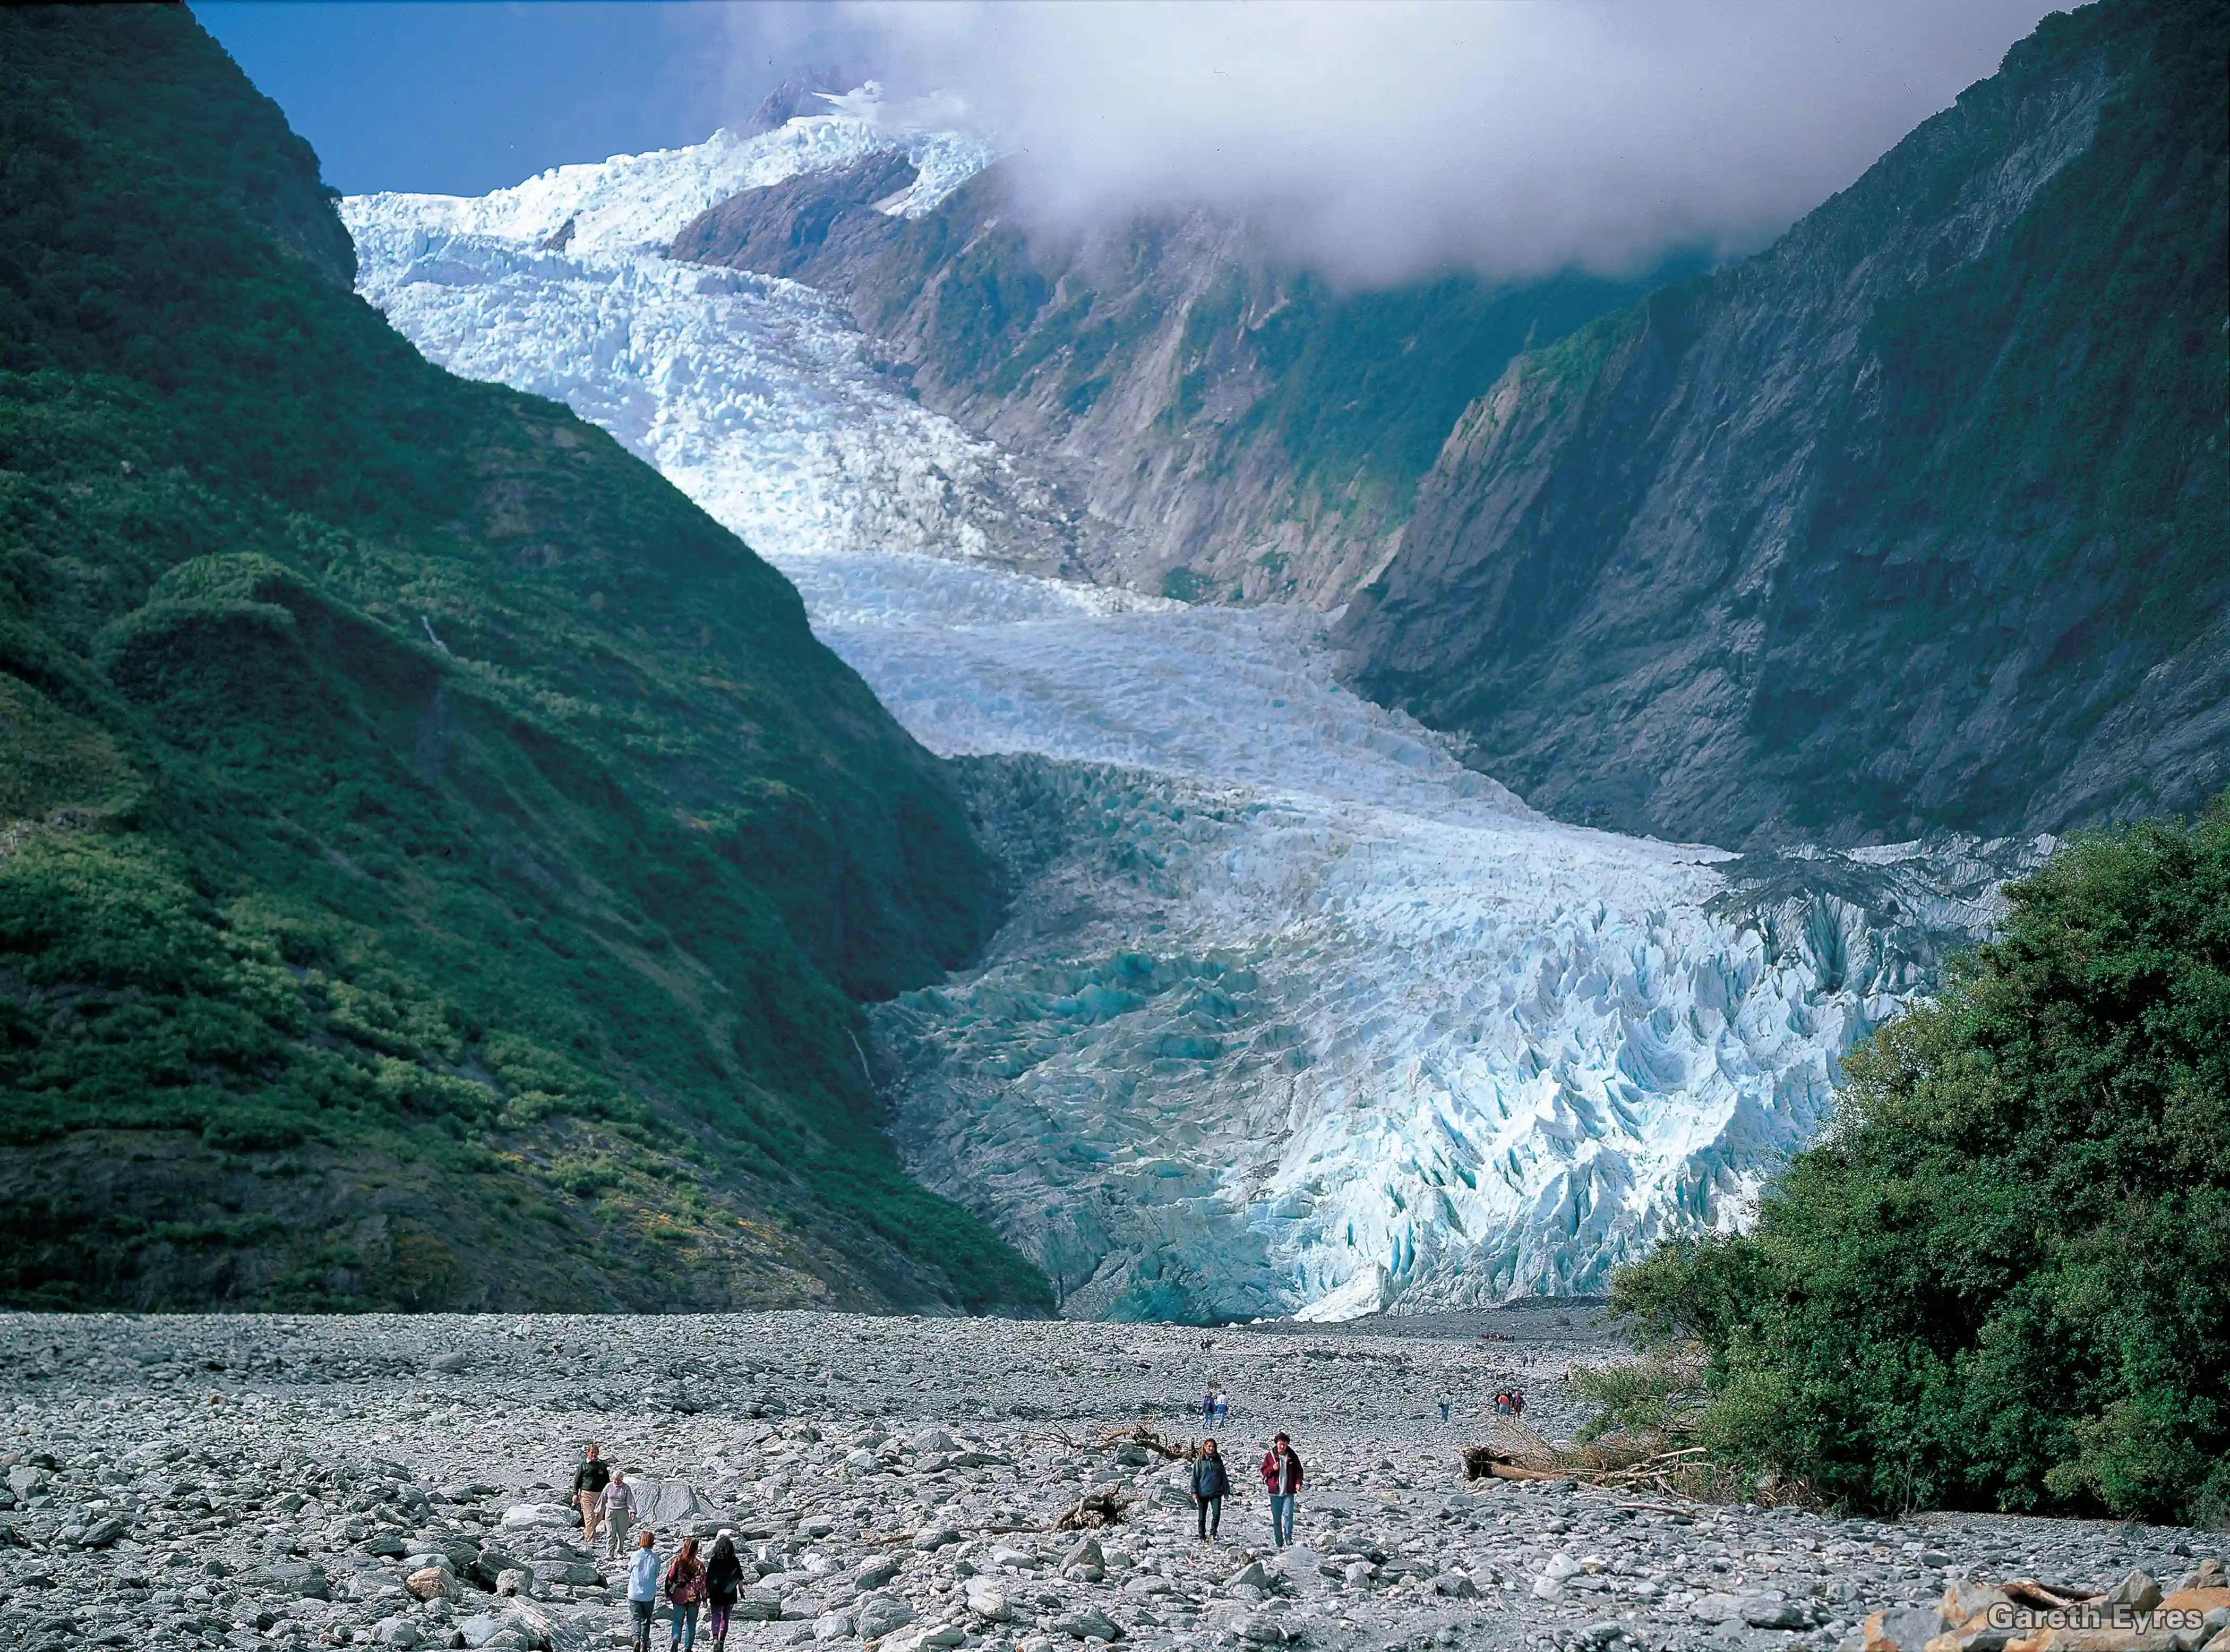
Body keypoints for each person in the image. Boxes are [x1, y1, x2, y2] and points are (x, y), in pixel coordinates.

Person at [663, 1534, 708, 1652]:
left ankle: (676, 1639)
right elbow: (703, 1584)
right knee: (691, 1624)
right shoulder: (700, 1565)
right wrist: (704, 1599)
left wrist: (668, 1593)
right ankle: (688, 1648)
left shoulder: (678, 1561)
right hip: (694, 1598)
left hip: (679, 1596)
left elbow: (670, 1578)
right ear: (696, 1550)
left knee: (678, 1621)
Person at [1259, 1432, 1303, 1548]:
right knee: (1277, 1518)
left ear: (1287, 1444)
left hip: (1288, 1491)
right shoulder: (1270, 1456)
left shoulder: (1292, 1456)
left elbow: (1299, 1471)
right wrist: (1272, 1469)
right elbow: (1263, 1471)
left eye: (1284, 1444)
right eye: (1280, 1444)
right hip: (1275, 1491)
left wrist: (1298, 1483)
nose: (1282, 1447)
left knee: (1288, 1514)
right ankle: (1279, 1541)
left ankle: (1288, 1538)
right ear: (1276, 1444)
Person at [705, 1530, 744, 1652]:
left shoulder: (714, 1560)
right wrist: (742, 1591)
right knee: (725, 1617)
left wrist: (705, 1594)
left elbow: (708, 1578)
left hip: (716, 1593)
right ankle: (722, 1641)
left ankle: (715, 1637)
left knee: (715, 1615)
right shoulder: (734, 1561)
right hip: (730, 1593)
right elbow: (740, 1578)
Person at [626, 1529, 661, 1652]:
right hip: (649, 1593)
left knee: (635, 1618)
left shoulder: (635, 1555)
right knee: (647, 1619)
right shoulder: (656, 1558)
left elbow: (629, 1569)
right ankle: (644, 1643)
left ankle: (636, 1638)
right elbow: (657, 1574)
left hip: (634, 1592)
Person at [1190, 1439, 1230, 1542]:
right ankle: (1202, 1536)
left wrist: (1226, 1490)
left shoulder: (1218, 1461)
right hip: (1203, 1492)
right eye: (1209, 1447)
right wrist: (1194, 1492)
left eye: (1213, 1447)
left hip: (1216, 1492)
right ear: (1205, 1447)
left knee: (1216, 1514)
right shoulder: (1200, 1461)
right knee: (1202, 1517)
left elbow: (1223, 1476)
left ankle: (1213, 1533)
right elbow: (1195, 1477)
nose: (1211, 1449)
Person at [573, 1444, 611, 1546]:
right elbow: (577, 1480)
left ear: (598, 1453)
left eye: (596, 1452)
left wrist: (610, 1494)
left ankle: (587, 1532)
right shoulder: (583, 1465)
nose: (594, 1455)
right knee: (589, 1517)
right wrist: (575, 1493)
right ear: (588, 1453)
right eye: (592, 1452)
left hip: (600, 1494)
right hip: (586, 1494)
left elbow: (607, 1481)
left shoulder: (602, 1465)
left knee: (598, 1517)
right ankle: (591, 1540)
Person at [600, 1468, 638, 1560]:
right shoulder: (609, 1486)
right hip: (610, 1511)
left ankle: (620, 1551)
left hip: (622, 1512)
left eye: (618, 1480)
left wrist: (632, 1511)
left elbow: (630, 1500)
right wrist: (598, 1511)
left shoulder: (626, 1488)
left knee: (621, 1533)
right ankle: (609, 1553)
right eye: (615, 1479)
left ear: (622, 1479)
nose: (616, 1481)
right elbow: (603, 1499)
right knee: (611, 1533)